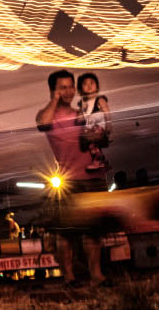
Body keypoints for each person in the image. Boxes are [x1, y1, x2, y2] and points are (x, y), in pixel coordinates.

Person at [35, 70, 106, 286]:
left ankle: (97, 275)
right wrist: (54, 100)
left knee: (93, 230)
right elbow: (42, 124)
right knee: (66, 231)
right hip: (68, 180)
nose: (68, 91)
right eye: (62, 87)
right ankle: (69, 277)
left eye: (70, 86)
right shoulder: (47, 115)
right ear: (53, 90)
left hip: (93, 176)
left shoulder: (81, 113)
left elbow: (101, 134)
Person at [76, 72, 111, 174]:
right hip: (94, 126)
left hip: (94, 126)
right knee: (95, 141)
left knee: (90, 143)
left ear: (97, 86)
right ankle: (100, 162)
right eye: (85, 84)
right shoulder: (89, 102)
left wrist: (109, 125)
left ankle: (98, 162)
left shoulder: (96, 100)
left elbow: (106, 112)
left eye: (91, 83)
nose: (89, 86)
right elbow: (106, 112)